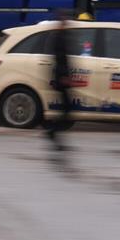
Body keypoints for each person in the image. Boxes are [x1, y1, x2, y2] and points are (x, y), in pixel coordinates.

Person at [46, 18, 73, 151]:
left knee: (65, 108)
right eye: (65, 22)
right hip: (61, 77)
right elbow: (60, 59)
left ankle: (53, 132)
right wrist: (64, 77)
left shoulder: (61, 36)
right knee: (66, 108)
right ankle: (52, 131)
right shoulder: (59, 38)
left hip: (62, 76)